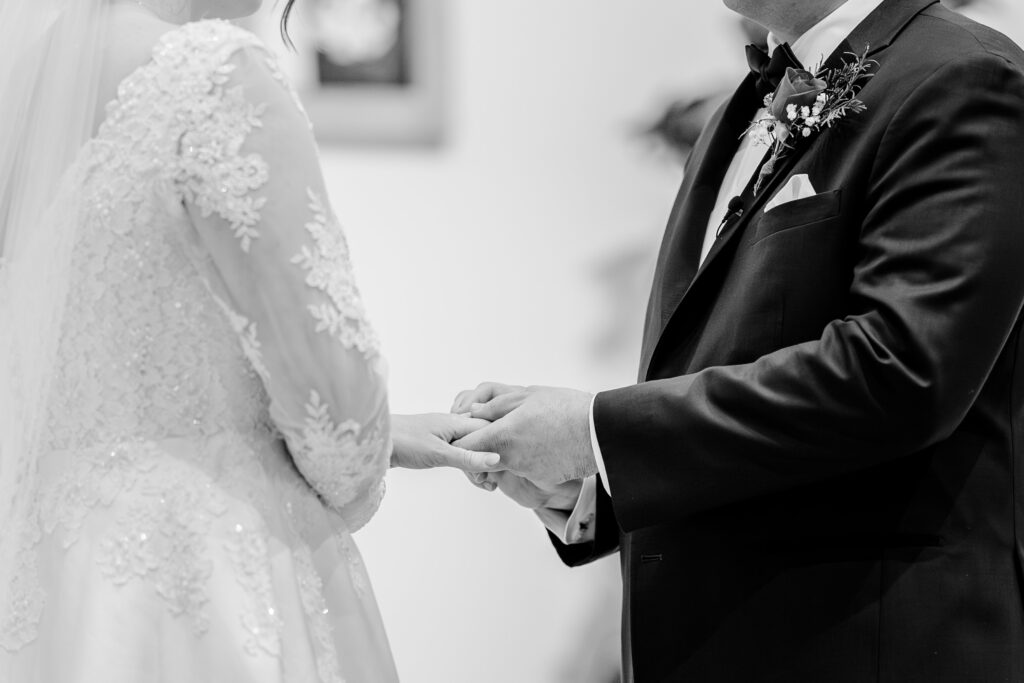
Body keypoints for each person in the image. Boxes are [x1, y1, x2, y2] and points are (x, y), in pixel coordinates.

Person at [454, 0, 1024, 680]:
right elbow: (728, 358)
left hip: (861, 645)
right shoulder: (743, 107)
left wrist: (599, 431)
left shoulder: (967, 79)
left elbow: (900, 371)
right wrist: (593, 483)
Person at [0, 1, 489, 680]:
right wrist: (353, 446)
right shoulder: (214, 77)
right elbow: (340, 429)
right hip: (209, 576)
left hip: (52, 585)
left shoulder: (26, 82)